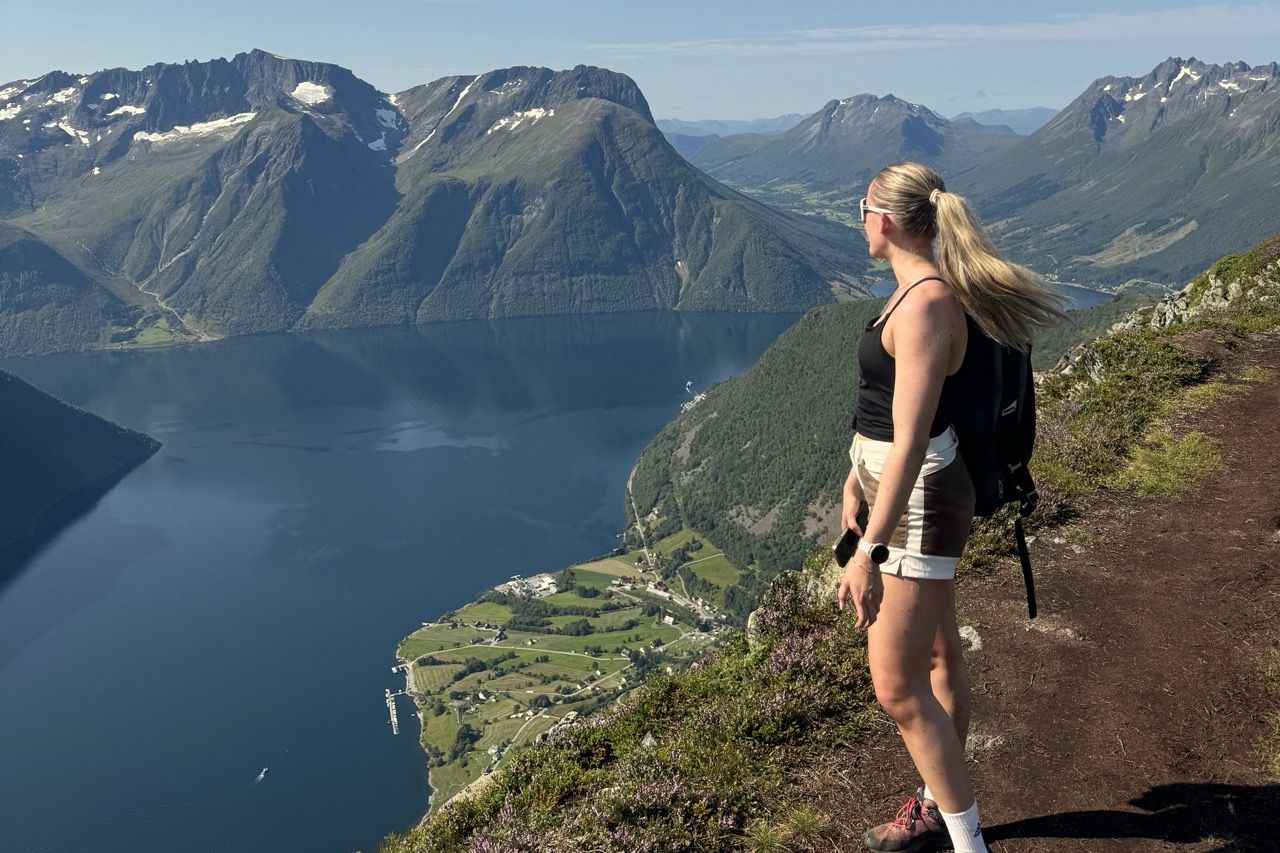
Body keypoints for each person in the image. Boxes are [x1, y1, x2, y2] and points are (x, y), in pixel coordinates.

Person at [836, 161, 1066, 853]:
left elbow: (911, 440)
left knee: (897, 686)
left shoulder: (929, 304)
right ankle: (938, 808)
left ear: (884, 218)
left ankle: (968, 844)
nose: (859, 215)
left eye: (864, 204)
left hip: (920, 502)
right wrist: (853, 476)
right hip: (900, 493)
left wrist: (871, 553)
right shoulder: (911, 295)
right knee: (938, 655)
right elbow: (884, 415)